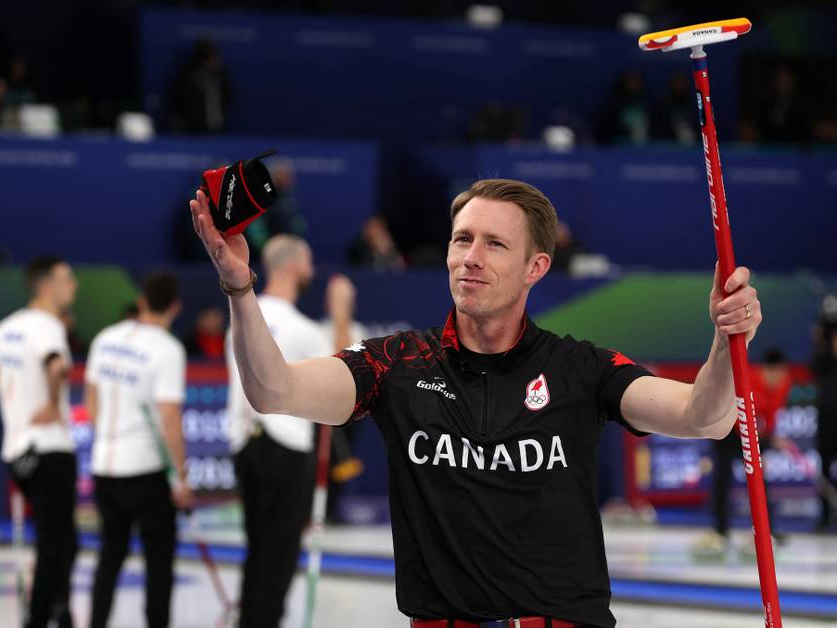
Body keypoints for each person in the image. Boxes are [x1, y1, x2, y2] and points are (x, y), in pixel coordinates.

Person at [192, 178, 762, 628]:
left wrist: (725, 339)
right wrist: (239, 287)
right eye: (462, 239)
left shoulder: (581, 368)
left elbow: (705, 417)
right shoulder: (397, 363)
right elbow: (273, 391)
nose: (471, 256)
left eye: (494, 244)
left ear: (536, 267)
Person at [224, 235, 353, 628]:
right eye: (309, 260)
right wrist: (341, 311)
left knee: (258, 547)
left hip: (245, 443)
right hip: (287, 446)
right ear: (293, 266)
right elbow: (345, 372)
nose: (312, 269)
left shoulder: (241, 317)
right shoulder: (302, 329)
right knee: (278, 554)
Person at [0, 256, 79, 628]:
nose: (74, 285)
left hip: (16, 450)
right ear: (46, 285)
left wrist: (15, 387)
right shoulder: (48, 325)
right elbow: (57, 366)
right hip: (48, 447)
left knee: (60, 541)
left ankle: (60, 610)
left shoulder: (9, 326)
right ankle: (40, 616)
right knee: (55, 545)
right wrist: (50, 402)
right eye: (67, 279)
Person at [85, 271, 192, 628]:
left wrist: (107, 435)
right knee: (158, 562)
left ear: (142, 300)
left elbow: (90, 398)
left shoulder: (106, 338)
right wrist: (180, 477)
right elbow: (169, 417)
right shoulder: (168, 349)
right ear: (175, 308)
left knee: (109, 556)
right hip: (146, 471)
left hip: (104, 466)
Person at [696, 347, 791, 554]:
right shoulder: (749, 379)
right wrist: (756, 444)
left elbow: (771, 415)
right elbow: (739, 415)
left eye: (781, 373)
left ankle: (766, 532)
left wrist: (767, 442)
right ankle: (721, 531)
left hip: (753, 435)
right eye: (774, 373)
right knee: (723, 479)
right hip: (729, 431)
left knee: (760, 483)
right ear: (766, 370)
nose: (777, 378)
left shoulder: (784, 384)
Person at [812, 306, 837, 532]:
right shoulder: (822, 356)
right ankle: (824, 515)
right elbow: (814, 368)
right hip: (826, 420)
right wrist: (821, 341)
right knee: (825, 467)